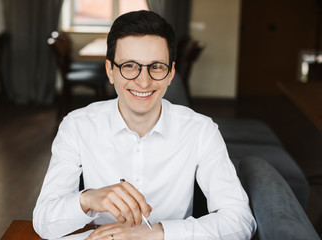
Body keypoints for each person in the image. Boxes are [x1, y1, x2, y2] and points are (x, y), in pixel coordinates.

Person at [33, 10, 257, 240]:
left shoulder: (201, 131)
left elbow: (240, 222)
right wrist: (87, 199)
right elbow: (44, 223)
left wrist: (156, 233)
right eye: (130, 66)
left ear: (171, 73)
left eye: (157, 67)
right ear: (110, 70)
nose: (143, 81)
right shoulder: (77, 126)